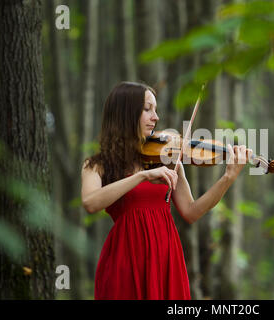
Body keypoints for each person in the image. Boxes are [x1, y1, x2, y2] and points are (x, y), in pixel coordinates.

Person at [81, 81, 251, 300]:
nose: (156, 117)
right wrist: (141, 176)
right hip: (126, 256)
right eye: (147, 109)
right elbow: (91, 203)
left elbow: (192, 211)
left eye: (156, 109)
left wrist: (228, 178)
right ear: (125, 113)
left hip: (165, 255)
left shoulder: (168, 160)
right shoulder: (97, 164)